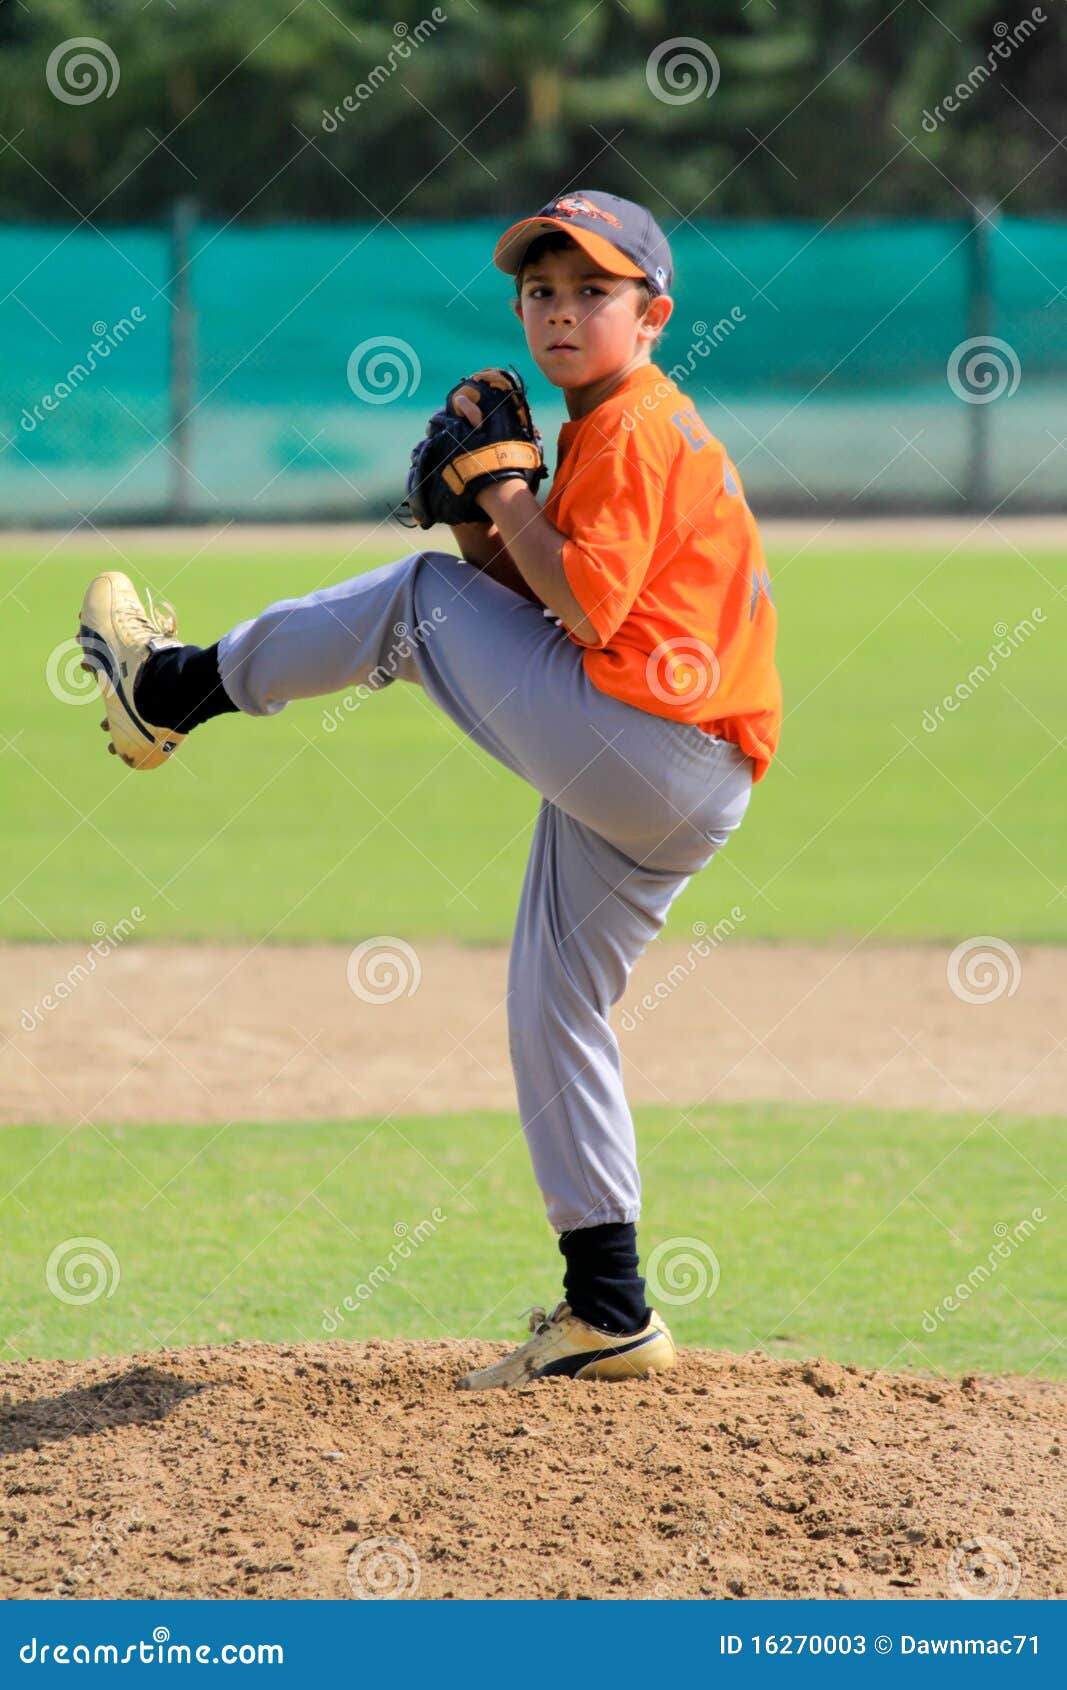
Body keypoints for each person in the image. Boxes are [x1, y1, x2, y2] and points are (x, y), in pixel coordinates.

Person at [77, 190, 781, 1390]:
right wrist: (478, 516)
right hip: (681, 774)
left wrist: (499, 494)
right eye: (540, 293)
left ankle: (175, 689)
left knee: (408, 602)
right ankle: (607, 1305)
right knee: (550, 1002)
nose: (559, 314)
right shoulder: (618, 425)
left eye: (592, 293)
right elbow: (527, 598)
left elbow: (582, 609)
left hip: (650, 746)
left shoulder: (633, 428)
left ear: (652, 315)